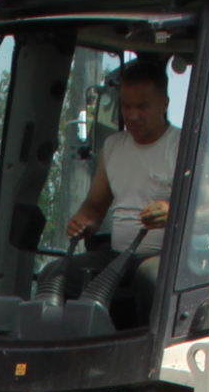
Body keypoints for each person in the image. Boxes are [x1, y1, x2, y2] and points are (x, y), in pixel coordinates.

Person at [63, 56, 182, 260]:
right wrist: (83, 222)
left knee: (146, 280)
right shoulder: (113, 146)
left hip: (168, 263)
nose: (133, 115)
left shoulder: (185, 145)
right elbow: (95, 207)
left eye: (142, 107)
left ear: (164, 104)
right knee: (54, 276)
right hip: (118, 258)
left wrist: (174, 214)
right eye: (127, 106)